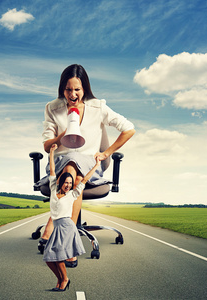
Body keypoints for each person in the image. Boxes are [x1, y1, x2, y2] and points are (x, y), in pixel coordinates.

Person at [36, 64, 135, 266]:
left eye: (77, 89)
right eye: (68, 89)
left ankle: (53, 226)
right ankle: (68, 246)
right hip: (60, 162)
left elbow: (129, 129)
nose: (72, 94)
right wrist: (66, 133)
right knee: (74, 171)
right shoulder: (52, 108)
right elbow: (47, 147)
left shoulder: (98, 107)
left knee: (76, 168)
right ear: (62, 89)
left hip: (90, 163)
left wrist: (107, 153)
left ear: (85, 88)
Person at [43, 143, 101, 291]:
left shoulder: (72, 194)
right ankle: (61, 279)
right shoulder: (53, 189)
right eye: (66, 183)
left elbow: (85, 179)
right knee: (49, 259)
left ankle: (64, 280)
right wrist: (51, 152)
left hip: (67, 227)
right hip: (57, 227)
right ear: (61, 182)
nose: (68, 185)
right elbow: (52, 170)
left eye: (70, 183)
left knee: (58, 258)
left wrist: (95, 166)